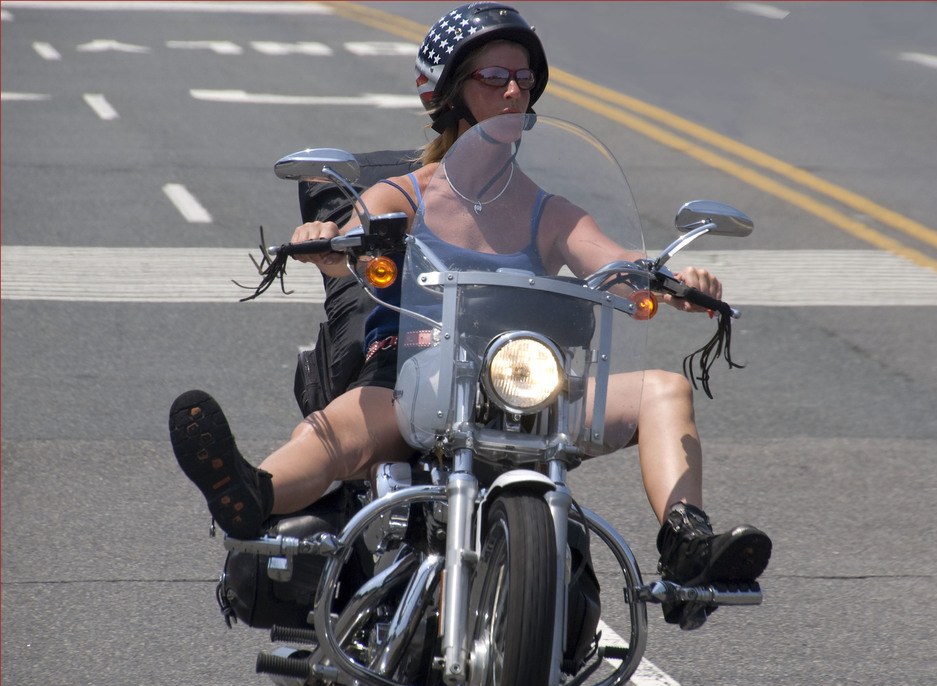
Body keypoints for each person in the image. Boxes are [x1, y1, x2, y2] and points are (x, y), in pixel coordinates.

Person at [170, 1, 770, 631]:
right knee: (339, 430)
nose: (516, 90)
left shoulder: (549, 211)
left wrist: (667, 279)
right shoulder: (403, 194)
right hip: (415, 379)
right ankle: (249, 492)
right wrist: (325, 237)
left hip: (522, 389)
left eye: (525, 79)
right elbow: (347, 245)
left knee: (665, 390)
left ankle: (687, 548)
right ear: (451, 92)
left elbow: (615, 263)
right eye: (495, 78)